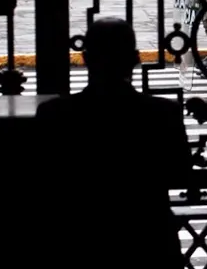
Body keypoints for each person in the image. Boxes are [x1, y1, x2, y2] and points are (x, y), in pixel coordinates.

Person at [37, 17, 191, 267]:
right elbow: (180, 174)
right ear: (135, 59)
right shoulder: (163, 113)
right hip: (148, 240)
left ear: (85, 59)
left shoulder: (54, 114)